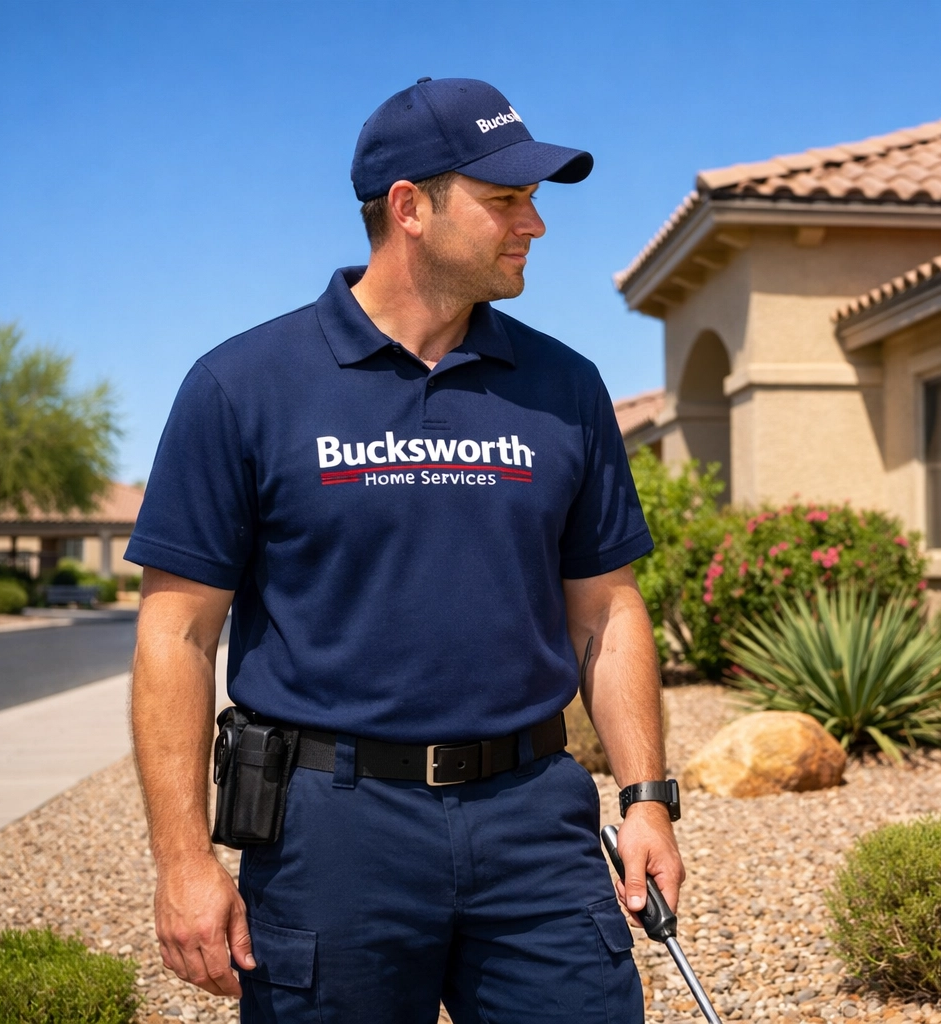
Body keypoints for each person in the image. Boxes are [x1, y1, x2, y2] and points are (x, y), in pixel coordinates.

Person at [127, 77, 681, 1023]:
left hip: (533, 822)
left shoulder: (565, 385)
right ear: (409, 207)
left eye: (533, 200)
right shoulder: (242, 386)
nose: (535, 225)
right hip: (330, 834)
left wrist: (647, 799)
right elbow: (176, 636)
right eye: (506, 200)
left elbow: (606, 608)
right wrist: (185, 862)